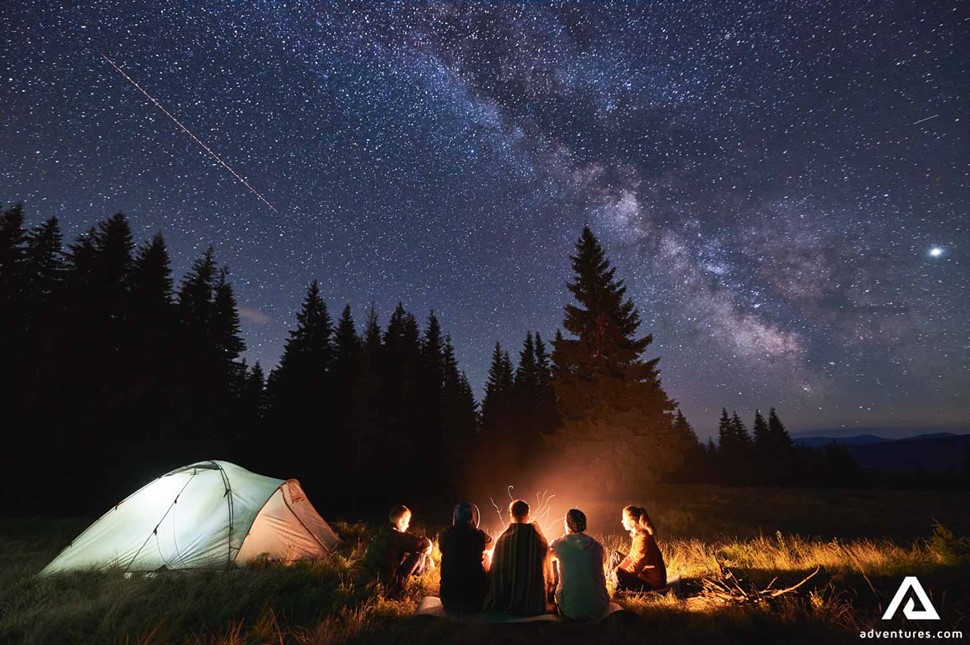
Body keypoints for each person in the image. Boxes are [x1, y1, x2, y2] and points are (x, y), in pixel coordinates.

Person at [485, 499, 554, 616]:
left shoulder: (503, 539)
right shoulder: (539, 538)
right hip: (534, 601)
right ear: (528, 515)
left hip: (507, 600)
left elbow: (496, 570)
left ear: (511, 515)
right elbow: (547, 570)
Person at [358, 504, 433, 598]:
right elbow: (423, 544)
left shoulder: (382, 533)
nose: (408, 525)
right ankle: (417, 581)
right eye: (407, 522)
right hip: (389, 586)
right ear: (401, 521)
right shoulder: (396, 536)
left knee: (406, 554)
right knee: (420, 554)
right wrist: (428, 547)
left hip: (371, 581)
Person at [549, 508, 610, 621]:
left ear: (567, 524)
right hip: (600, 607)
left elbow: (545, 559)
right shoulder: (597, 546)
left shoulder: (558, 544)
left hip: (570, 609)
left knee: (552, 564)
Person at [438, 501, 494, 613]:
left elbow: (442, 549)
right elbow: (491, 544)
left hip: (448, 600)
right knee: (486, 556)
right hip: (474, 601)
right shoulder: (479, 535)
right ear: (473, 517)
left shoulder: (444, 534)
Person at [610, 504, 667, 592]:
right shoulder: (638, 536)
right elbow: (630, 558)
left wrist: (620, 573)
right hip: (643, 575)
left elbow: (637, 565)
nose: (622, 521)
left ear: (632, 522)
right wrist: (620, 569)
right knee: (616, 556)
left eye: (624, 519)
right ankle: (612, 580)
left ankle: (616, 587)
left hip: (651, 583)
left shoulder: (644, 539)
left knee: (618, 572)